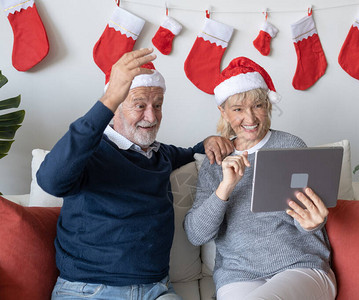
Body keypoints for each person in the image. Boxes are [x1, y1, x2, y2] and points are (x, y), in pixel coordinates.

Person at [37, 48, 233, 300]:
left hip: (157, 290)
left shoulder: (161, 154)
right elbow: (50, 180)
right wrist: (107, 99)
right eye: (139, 105)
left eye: (158, 105)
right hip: (89, 290)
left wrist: (209, 141)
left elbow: (193, 152)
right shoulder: (89, 151)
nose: (151, 117)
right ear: (115, 106)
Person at [184, 57, 337, 300]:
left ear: (268, 105)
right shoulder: (215, 161)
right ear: (222, 112)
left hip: (299, 266)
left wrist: (313, 222)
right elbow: (196, 235)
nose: (251, 118)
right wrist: (225, 188)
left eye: (258, 106)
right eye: (238, 109)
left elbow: (306, 219)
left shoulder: (290, 146)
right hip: (237, 276)